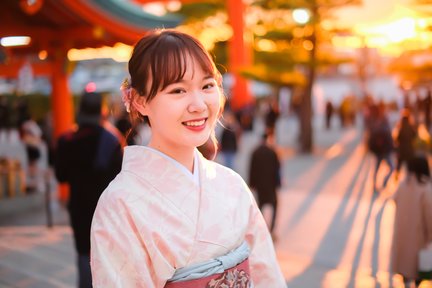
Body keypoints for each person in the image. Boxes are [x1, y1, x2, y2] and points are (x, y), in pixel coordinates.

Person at [90, 30, 286, 287]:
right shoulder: (119, 204)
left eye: (207, 86)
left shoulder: (231, 184)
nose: (198, 105)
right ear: (139, 101)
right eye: (178, 90)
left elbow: (267, 276)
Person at [54, 91, 124, 288]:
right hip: (108, 208)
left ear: (79, 111)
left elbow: (61, 176)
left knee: (84, 253)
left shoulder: (66, 140)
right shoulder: (111, 140)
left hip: (79, 206)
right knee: (109, 256)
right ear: (102, 111)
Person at [392, 157, 432, 288]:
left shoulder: (403, 185)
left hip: (402, 236)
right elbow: (430, 216)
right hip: (418, 238)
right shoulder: (426, 188)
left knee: (405, 268)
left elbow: (395, 200)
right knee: (417, 270)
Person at [248, 132, 281, 237]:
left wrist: (252, 183)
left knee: (260, 207)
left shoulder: (255, 152)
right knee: (274, 206)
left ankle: (260, 229)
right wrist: (278, 183)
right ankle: (271, 229)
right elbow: (277, 170)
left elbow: (252, 169)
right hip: (271, 185)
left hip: (260, 186)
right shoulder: (273, 152)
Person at [367, 103, 395, 191]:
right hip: (384, 150)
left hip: (379, 151)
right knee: (391, 168)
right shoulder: (382, 122)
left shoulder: (374, 121)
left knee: (377, 168)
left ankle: (376, 184)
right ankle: (382, 183)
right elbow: (388, 136)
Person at [394, 109, 417, 180]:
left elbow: (397, 139)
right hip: (410, 150)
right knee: (409, 166)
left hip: (401, 150)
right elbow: (415, 136)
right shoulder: (411, 127)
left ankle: (396, 178)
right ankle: (409, 179)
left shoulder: (401, 128)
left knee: (399, 165)